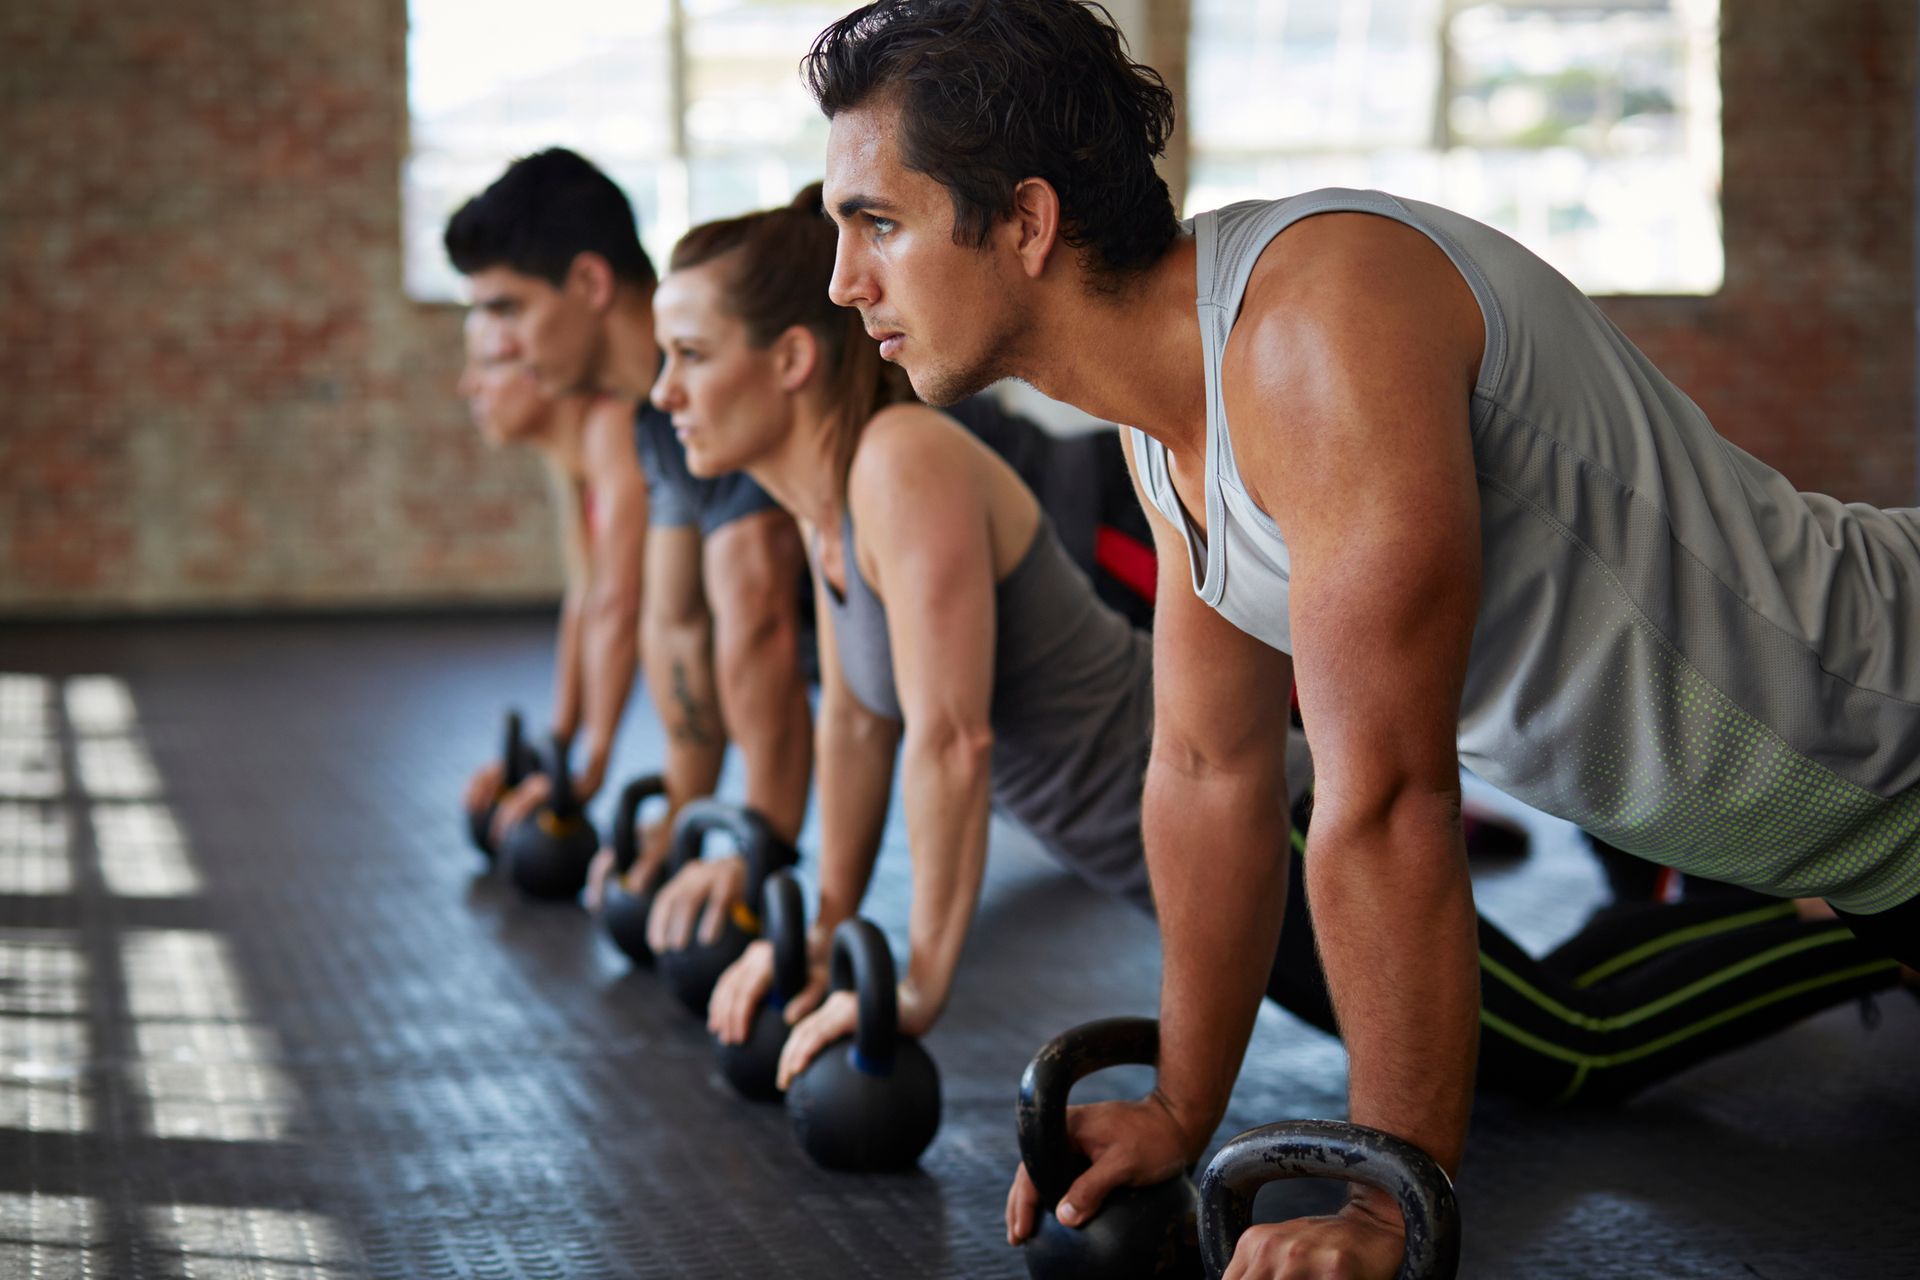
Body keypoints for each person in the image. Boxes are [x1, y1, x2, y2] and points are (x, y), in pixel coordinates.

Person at [801, 3, 1920, 1274]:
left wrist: (1388, 1196)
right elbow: (1209, 772)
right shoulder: (1172, 423)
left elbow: (1384, 797)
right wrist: (1182, 1097)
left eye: (875, 223)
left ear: (1026, 221)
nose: (844, 281)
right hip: (1864, 842)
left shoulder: (1313, 332)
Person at [646, 189, 1905, 1137]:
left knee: (1574, 1040)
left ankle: (1847, 924)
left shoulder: (902, 462)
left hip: (1297, 827)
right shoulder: (850, 513)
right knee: (1559, 1013)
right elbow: (880, 733)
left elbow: (949, 737)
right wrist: (820, 934)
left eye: (690, 355)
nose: (665, 394)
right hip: (1205, 833)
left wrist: (913, 980)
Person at [445, 150, 814, 935]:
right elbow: (673, 622)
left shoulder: (724, 384)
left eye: (510, 310)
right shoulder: (657, 419)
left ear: (588, 284)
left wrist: (756, 852)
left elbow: (758, 620)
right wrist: (679, 821)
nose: (501, 345)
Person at [453, 314, 646, 839]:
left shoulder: (613, 425)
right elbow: (586, 600)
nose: (467, 384)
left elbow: (618, 604)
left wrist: (587, 772)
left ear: (541, 370)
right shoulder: (571, 462)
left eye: (488, 364)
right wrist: (554, 748)